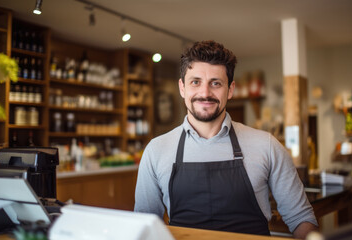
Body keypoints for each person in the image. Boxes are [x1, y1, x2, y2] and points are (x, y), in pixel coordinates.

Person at [134, 40, 318, 239]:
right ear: (182, 88)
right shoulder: (156, 150)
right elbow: (144, 225)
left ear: (230, 90)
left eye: (216, 83)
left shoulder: (267, 145)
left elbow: (301, 218)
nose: (205, 93)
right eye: (195, 82)